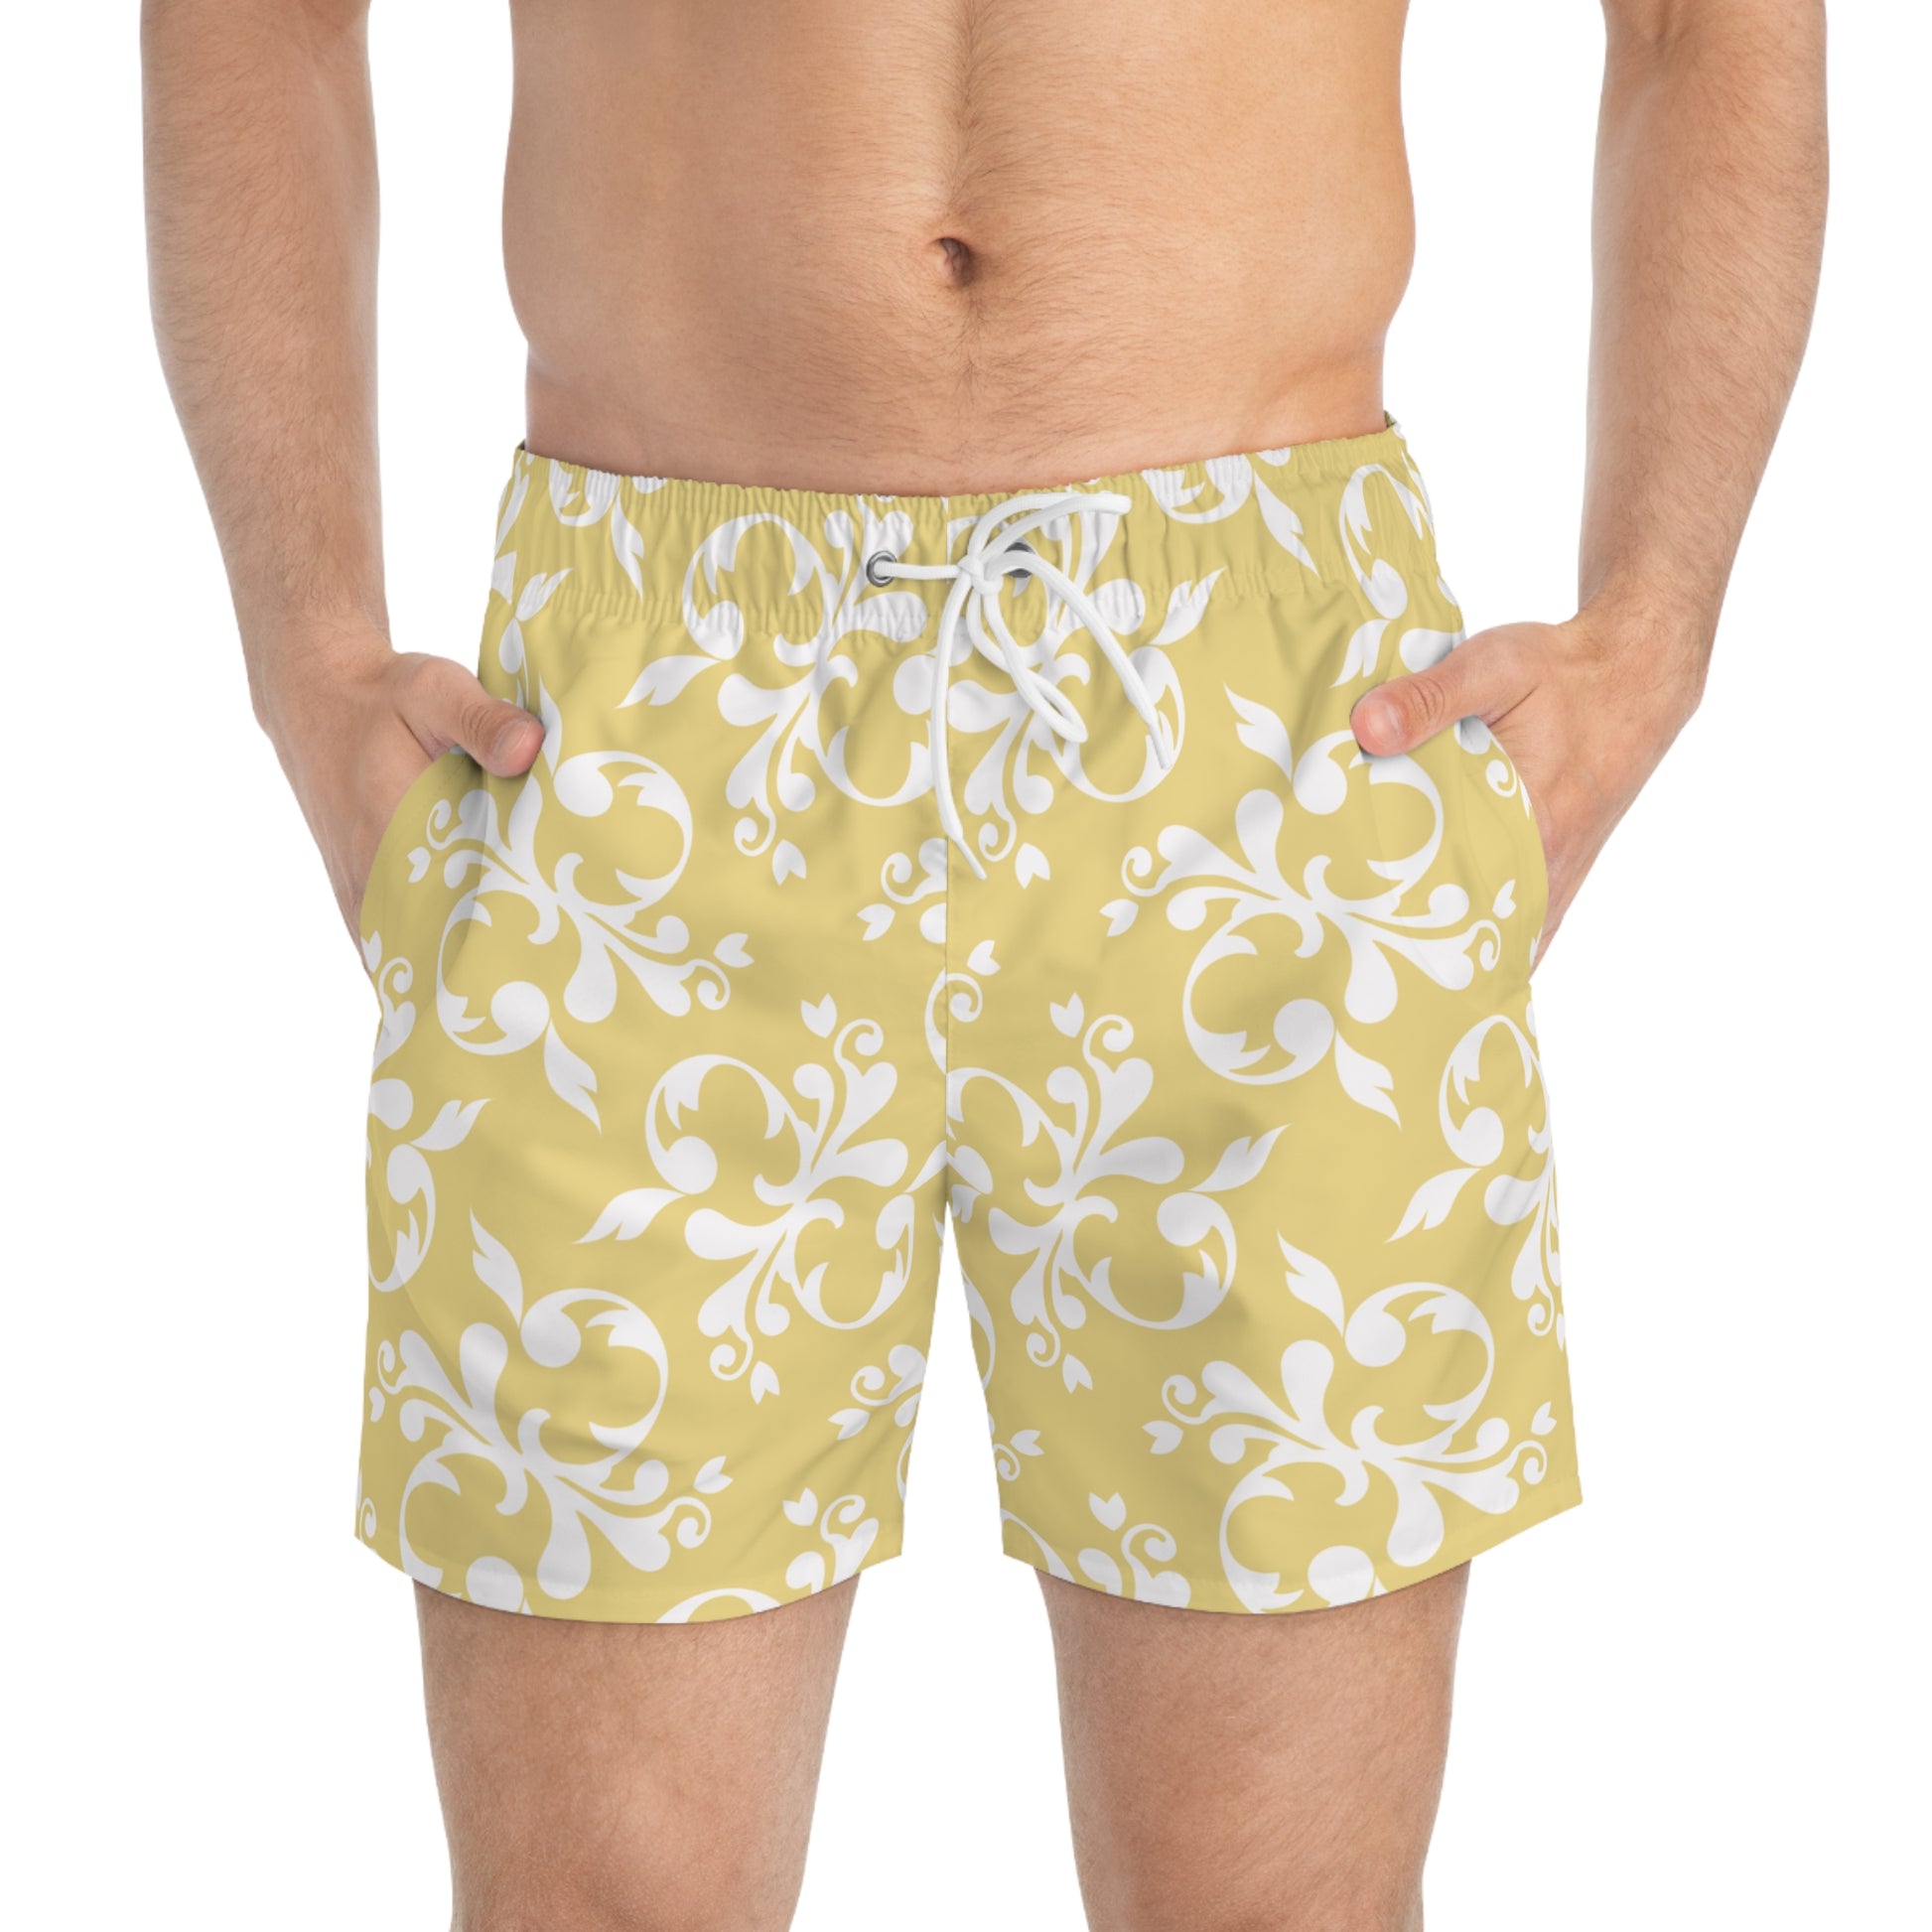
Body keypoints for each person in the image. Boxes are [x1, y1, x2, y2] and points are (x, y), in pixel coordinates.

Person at [142, 2, 1827, 1926]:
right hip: (650, 720)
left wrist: (1656, 618)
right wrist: (305, 643)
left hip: (1269, 719)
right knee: (597, 1898)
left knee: (1274, 1903)